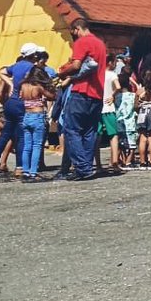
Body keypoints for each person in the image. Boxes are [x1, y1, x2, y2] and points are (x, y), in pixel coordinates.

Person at [57, 19, 108, 180]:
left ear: (77, 29)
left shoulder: (82, 42)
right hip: (97, 94)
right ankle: (86, 167)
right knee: (89, 131)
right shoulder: (100, 44)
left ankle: (83, 168)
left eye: (73, 33)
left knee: (72, 129)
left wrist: (63, 73)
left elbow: (77, 65)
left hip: (82, 91)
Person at [0, 43, 37, 176]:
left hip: (11, 103)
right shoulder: (33, 68)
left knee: (5, 134)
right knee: (21, 137)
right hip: (23, 102)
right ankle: (19, 167)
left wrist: (10, 83)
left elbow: (1, 72)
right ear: (33, 55)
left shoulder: (16, 66)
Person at [19, 67, 55, 181]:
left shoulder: (23, 86)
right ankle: (33, 172)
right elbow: (52, 97)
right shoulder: (38, 87)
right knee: (37, 146)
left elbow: (21, 97)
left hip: (26, 116)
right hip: (37, 116)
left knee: (27, 146)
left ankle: (25, 171)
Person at [98, 54, 123, 172]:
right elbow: (118, 86)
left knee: (96, 136)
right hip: (109, 108)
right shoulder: (112, 74)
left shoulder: (97, 74)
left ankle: (98, 164)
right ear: (110, 63)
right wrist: (113, 95)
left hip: (98, 108)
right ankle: (114, 162)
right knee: (113, 135)